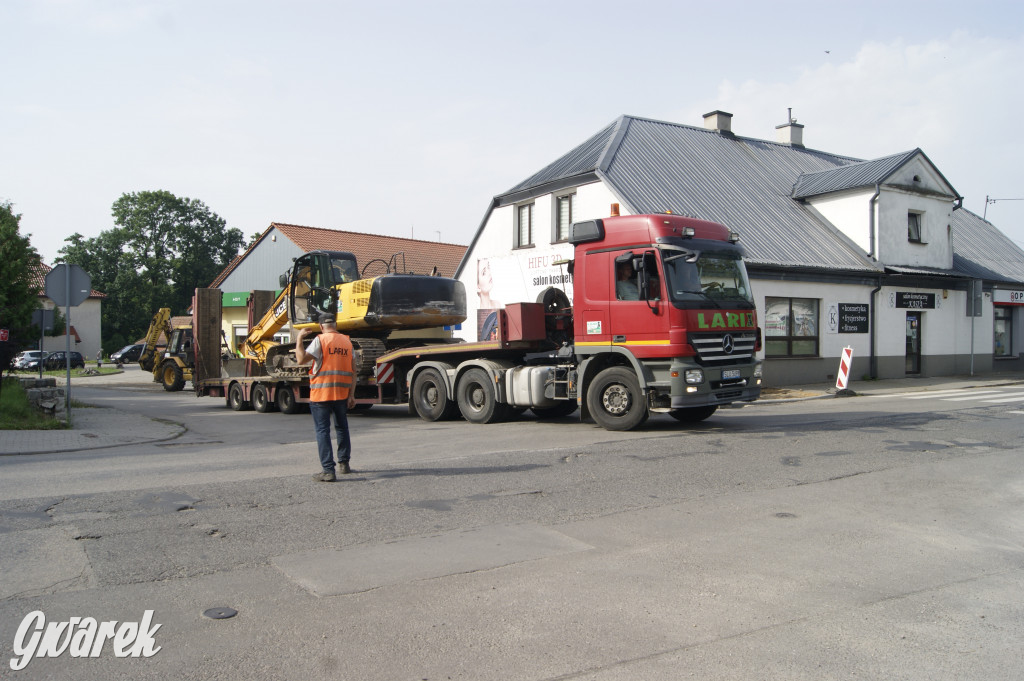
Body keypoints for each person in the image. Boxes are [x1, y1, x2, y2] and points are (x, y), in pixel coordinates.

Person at [294, 315, 357, 482]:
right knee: (342, 428)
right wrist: (351, 395)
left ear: (321, 326)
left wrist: (299, 338)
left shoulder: (320, 340)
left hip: (321, 394)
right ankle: (344, 464)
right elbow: (353, 371)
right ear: (335, 325)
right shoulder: (347, 342)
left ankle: (328, 470)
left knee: (323, 431)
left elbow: (300, 359)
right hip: (342, 393)